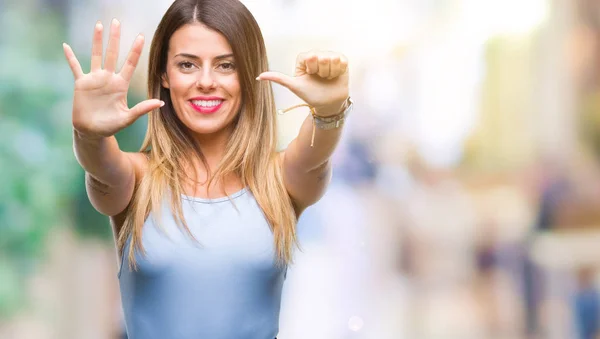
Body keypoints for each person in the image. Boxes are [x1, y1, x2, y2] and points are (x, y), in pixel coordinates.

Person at [62, 0, 352, 338]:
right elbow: (100, 163)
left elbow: (313, 155)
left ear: (249, 73)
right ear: (164, 75)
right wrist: (89, 133)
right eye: (187, 65)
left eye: (226, 65)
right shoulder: (136, 179)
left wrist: (329, 113)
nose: (206, 81)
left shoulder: (279, 178)